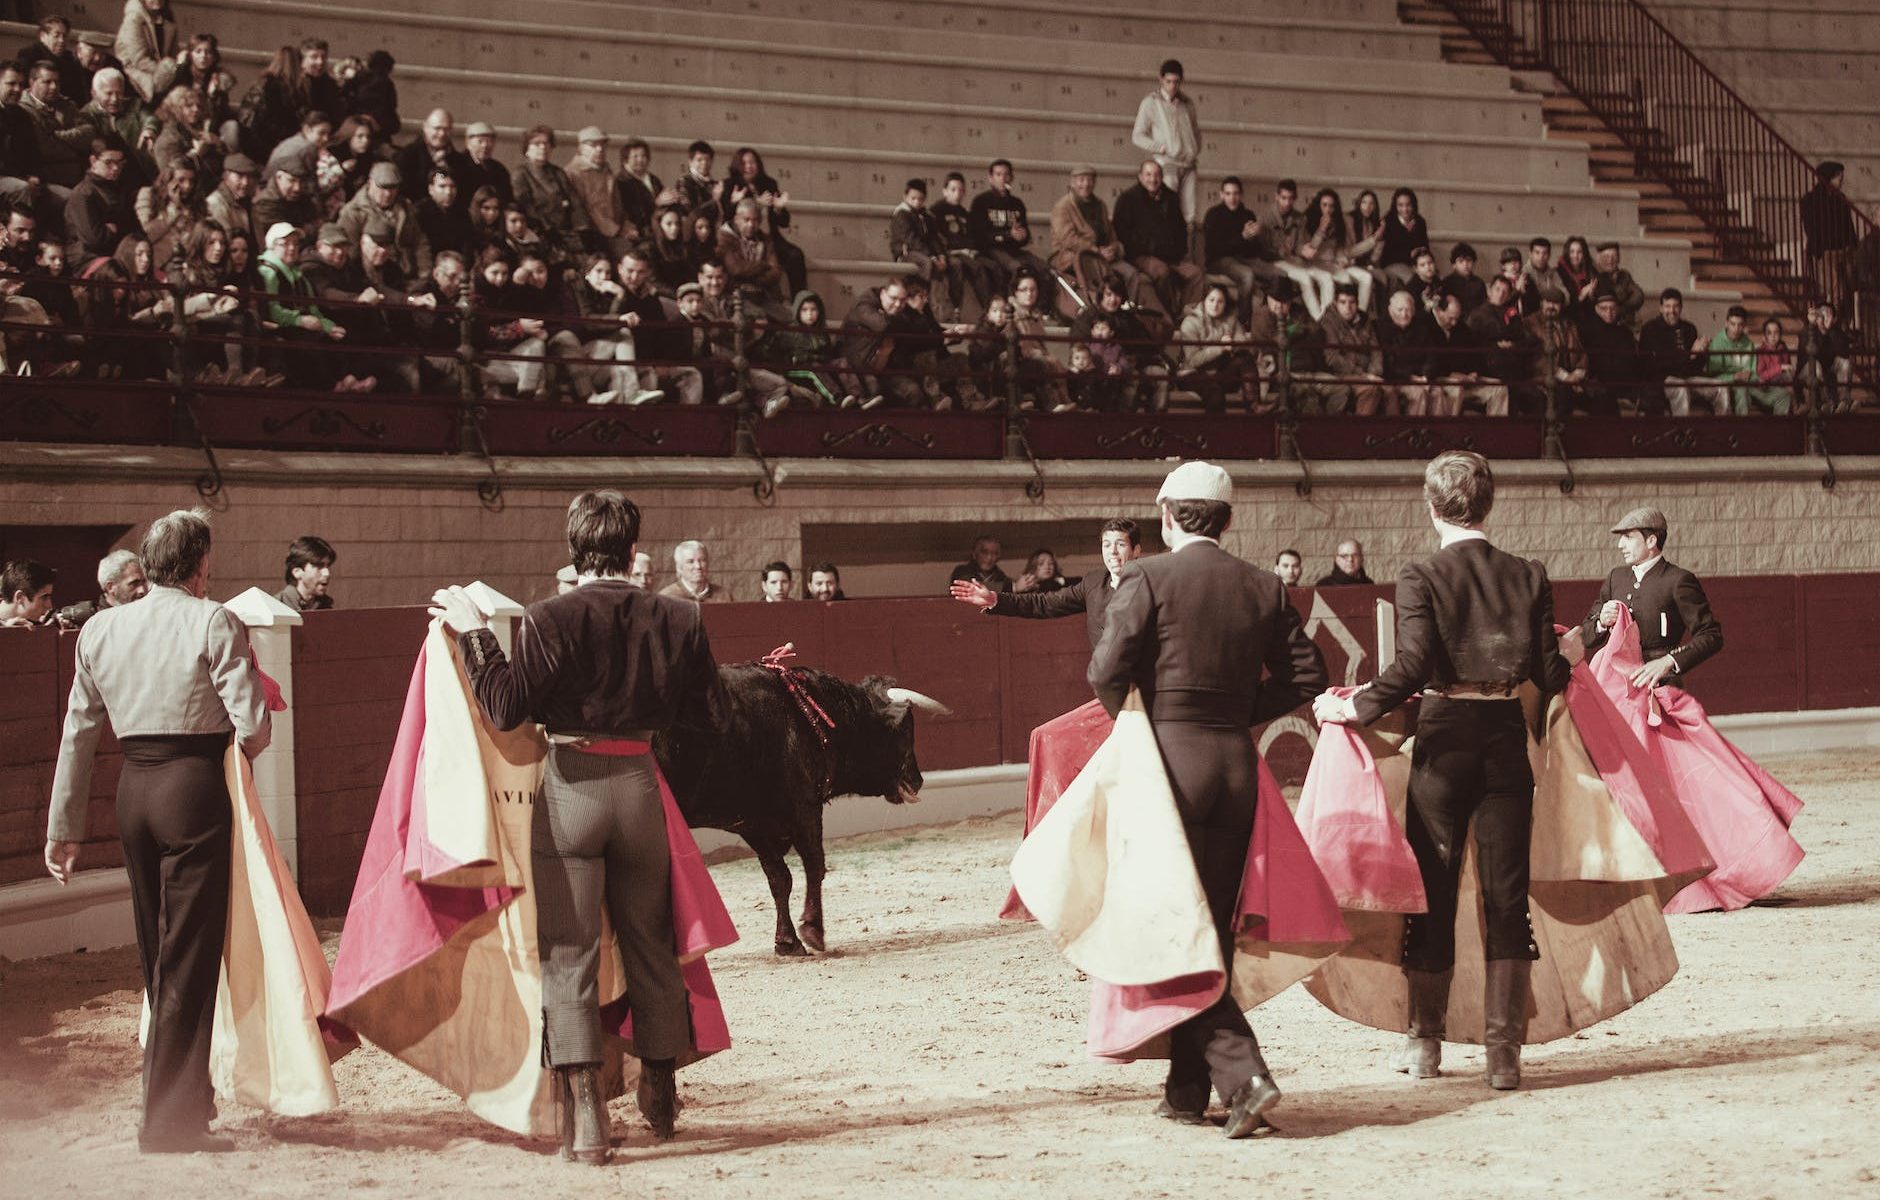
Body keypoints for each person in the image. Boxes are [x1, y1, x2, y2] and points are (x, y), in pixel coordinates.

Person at [427, 490, 730, 1162]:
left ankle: (588, 1121)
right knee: (651, 942)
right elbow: (712, 715)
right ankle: (659, 1092)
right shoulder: (680, 616)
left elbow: (505, 708)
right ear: (630, 546)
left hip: (571, 787)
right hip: (640, 786)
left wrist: (476, 630)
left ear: (574, 545)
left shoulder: (548, 617)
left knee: (569, 956)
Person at [1313, 451, 1570, 1091]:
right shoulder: (1527, 575)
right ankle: (1503, 1055)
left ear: (1432, 508)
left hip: (1445, 736)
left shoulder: (1422, 573)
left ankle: (1425, 1045)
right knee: (1507, 893)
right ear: (1489, 505)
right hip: (1505, 737)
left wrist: (1353, 708)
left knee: (1432, 885)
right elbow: (1550, 676)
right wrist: (1578, 646)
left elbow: (1412, 667)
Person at [1089, 460, 1326, 1135]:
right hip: (1234, 766)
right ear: (1226, 520)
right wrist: (1241, 708)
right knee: (1208, 926)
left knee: (1170, 929)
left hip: (1169, 763)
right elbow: (1310, 672)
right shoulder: (1260, 584)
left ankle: (1243, 1074)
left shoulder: (1147, 576)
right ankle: (1187, 1089)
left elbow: (1105, 669)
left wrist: (1138, 724)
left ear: (1166, 516)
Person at [46, 509, 272, 1151]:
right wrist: (239, 751)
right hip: (192, 789)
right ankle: (170, 1119)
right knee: (189, 957)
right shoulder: (211, 618)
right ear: (201, 565)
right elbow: (253, 726)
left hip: (133, 794)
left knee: (158, 952)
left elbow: (78, 734)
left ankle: (182, 1100)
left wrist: (63, 827)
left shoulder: (99, 628)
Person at [1580, 506, 1721, 688]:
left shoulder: (1677, 580)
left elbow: (1711, 635)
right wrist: (1601, 622)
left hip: (1660, 683)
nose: (1620, 545)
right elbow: (1586, 636)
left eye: (1628, 537)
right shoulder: (1616, 577)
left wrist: (1669, 661)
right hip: (1617, 684)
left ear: (1651, 541)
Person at [951, 518, 1141, 647]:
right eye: (1107, 545)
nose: (1112, 552)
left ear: (1136, 550)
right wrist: (995, 599)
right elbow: (1044, 603)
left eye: (1121, 545)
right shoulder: (1093, 583)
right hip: (1109, 689)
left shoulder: (1150, 584)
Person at [1130, 59, 1199, 227]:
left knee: (1189, 216)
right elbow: (1137, 135)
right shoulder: (1150, 102)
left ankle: (1187, 253)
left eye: (1176, 82)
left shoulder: (1187, 103)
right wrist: (1159, 148)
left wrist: (1194, 149)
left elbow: (1196, 130)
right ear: (1161, 79)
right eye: (1168, 81)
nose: (1172, 86)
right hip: (1167, 164)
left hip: (1189, 165)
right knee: (1168, 212)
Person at [54, 549, 149, 627]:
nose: (142, 590)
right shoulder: (91, 622)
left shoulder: (148, 614)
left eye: (144, 582)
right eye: (134, 584)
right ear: (111, 587)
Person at [660, 539, 734, 603]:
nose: (698, 566)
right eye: (690, 561)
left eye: (702, 560)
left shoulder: (724, 596)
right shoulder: (666, 597)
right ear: (679, 567)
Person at [276, 535, 336, 611]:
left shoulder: (326, 607)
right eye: (319, 566)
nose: (327, 573)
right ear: (297, 572)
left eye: (328, 566)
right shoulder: (275, 607)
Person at [0, 558, 57, 625]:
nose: (49, 606)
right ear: (20, 597)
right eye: (44, 597)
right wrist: (6, 633)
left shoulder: (36, 623)